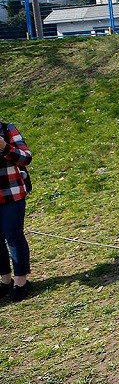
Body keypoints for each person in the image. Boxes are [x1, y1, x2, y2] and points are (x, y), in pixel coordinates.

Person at [0, 120, 32, 302]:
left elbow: (26, 158)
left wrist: (5, 147)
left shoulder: (7, 129)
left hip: (12, 195)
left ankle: (21, 283)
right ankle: (5, 281)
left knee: (13, 236)